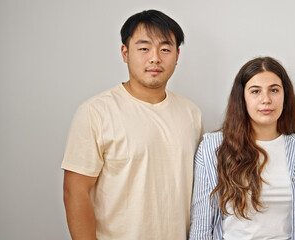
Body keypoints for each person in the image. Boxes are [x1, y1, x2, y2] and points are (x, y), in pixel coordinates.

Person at [62, 10, 202, 240]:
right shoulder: (96, 112)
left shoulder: (191, 114)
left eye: (165, 49)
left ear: (177, 55)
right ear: (125, 53)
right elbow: (74, 192)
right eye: (144, 48)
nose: (155, 58)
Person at [189, 57, 295, 239]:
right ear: (242, 98)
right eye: (255, 91)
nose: (266, 100)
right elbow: (201, 226)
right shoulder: (213, 147)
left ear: (285, 96)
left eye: (274, 90)